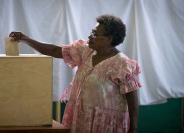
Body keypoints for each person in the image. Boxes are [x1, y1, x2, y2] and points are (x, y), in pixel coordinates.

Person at [9, 14, 141, 133]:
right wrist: (26, 39)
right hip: (80, 119)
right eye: (91, 32)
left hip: (105, 124)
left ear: (109, 38)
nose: (90, 36)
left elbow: (132, 97)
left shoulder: (123, 64)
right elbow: (55, 50)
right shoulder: (85, 51)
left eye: (95, 34)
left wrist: (133, 128)